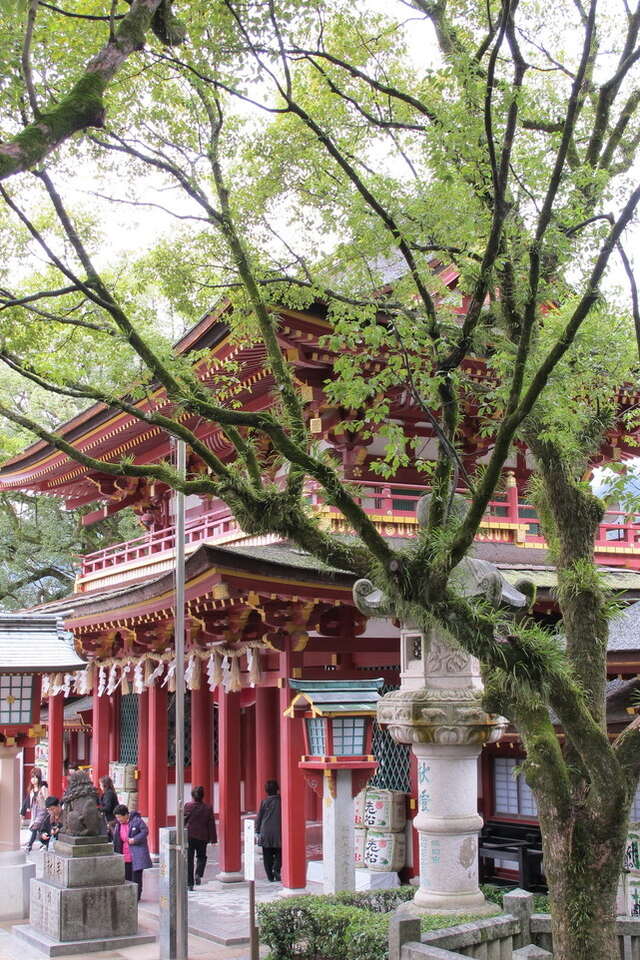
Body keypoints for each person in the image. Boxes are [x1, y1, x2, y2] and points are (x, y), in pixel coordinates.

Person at [112, 804, 152, 901]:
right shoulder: (118, 825)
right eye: (117, 817)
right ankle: (128, 895)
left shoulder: (137, 821)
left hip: (136, 854)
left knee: (136, 877)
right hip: (125, 855)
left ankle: (136, 896)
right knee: (127, 877)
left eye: (119, 817)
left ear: (126, 815)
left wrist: (134, 839)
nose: (118, 819)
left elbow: (145, 831)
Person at [184, 785, 217, 891]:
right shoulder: (208, 808)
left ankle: (189, 883)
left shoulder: (188, 806)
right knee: (201, 857)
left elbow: (183, 821)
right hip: (202, 836)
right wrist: (213, 839)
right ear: (203, 796)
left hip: (189, 835)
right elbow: (211, 824)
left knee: (189, 859)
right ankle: (198, 874)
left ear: (193, 796)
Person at [255, 779, 282, 882]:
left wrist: (257, 831)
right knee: (280, 852)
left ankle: (270, 876)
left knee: (267, 855)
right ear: (277, 789)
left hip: (265, 831)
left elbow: (259, 818)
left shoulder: (264, 802)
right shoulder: (281, 801)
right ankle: (276, 868)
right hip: (278, 831)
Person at [24, 768, 48, 852]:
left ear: (39, 778)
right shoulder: (31, 790)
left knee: (35, 828)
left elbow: (47, 800)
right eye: (32, 777)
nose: (33, 779)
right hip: (34, 812)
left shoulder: (43, 788)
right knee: (39, 829)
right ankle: (44, 844)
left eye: (35, 777)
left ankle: (29, 845)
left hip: (42, 811)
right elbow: (28, 801)